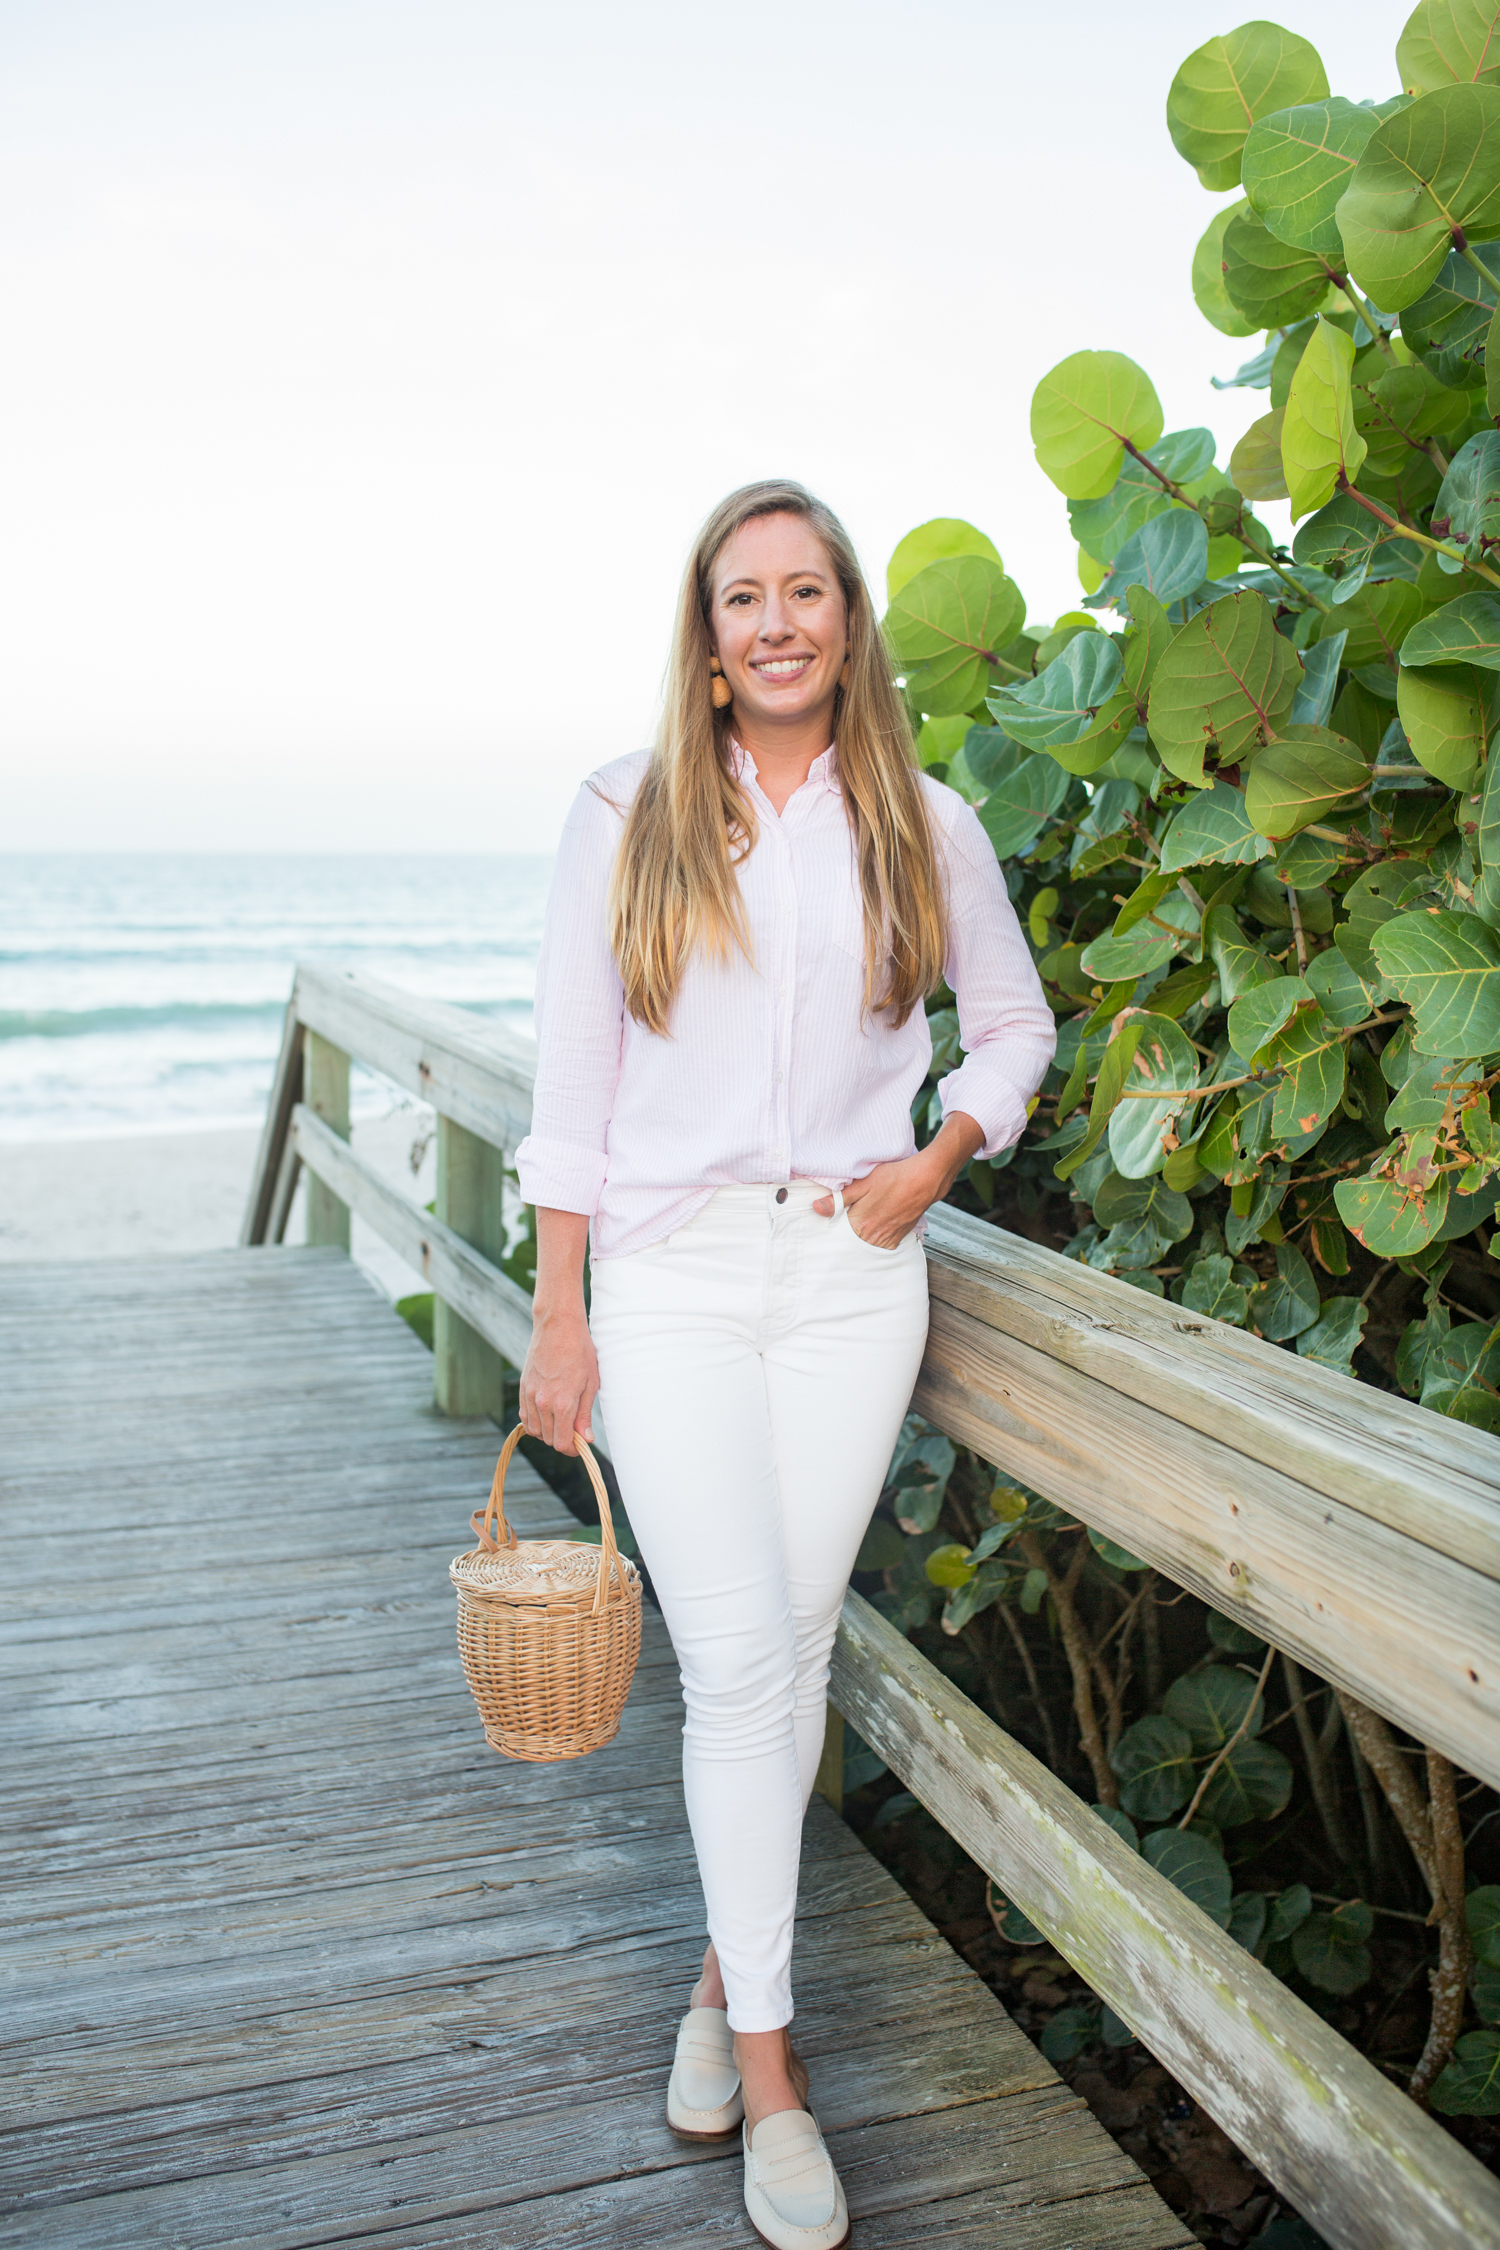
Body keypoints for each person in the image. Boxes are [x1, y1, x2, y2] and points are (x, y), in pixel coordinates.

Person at [514, 479, 1054, 2249]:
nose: (775, 623)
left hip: (848, 1276)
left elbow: (1017, 1019)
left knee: (788, 1650)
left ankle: (711, 1981)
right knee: (743, 1655)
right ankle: (771, 2074)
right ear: (707, 628)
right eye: (742, 596)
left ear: (846, 619)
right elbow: (573, 1090)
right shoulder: (623, 810)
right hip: (665, 1278)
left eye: (804, 590)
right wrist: (558, 1310)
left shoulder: (923, 815)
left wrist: (940, 1152)